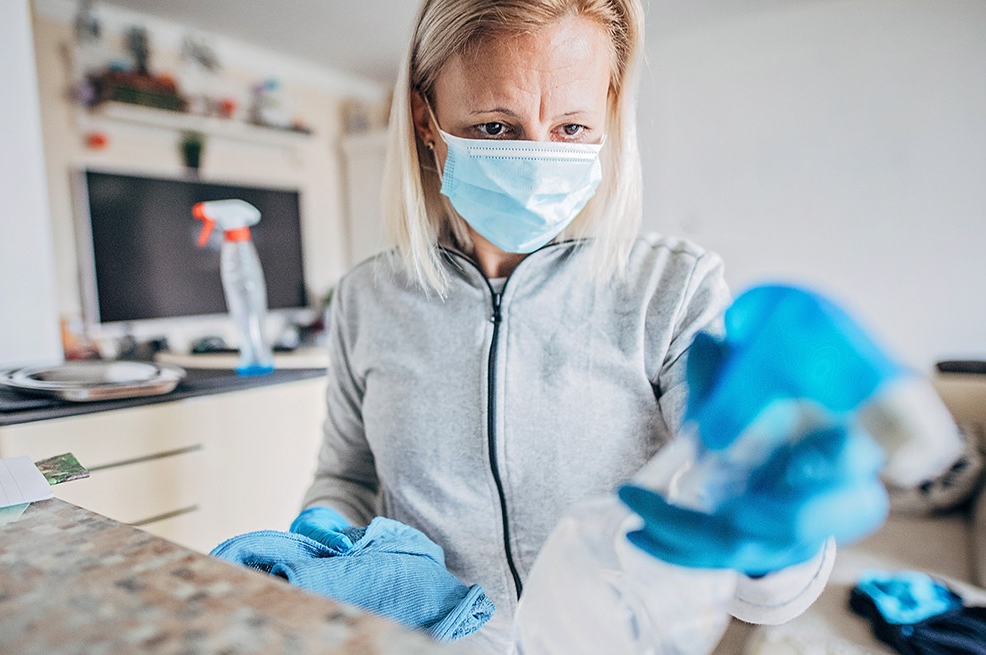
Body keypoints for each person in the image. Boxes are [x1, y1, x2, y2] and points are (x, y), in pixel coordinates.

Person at [291, 1, 886, 651]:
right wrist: (322, 537)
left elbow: (731, 504)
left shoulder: (673, 288)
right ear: (424, 121)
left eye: (572, 127)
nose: (539, 159)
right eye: (495, 126)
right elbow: (347, 474)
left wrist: (774, 541)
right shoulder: (366, 299)